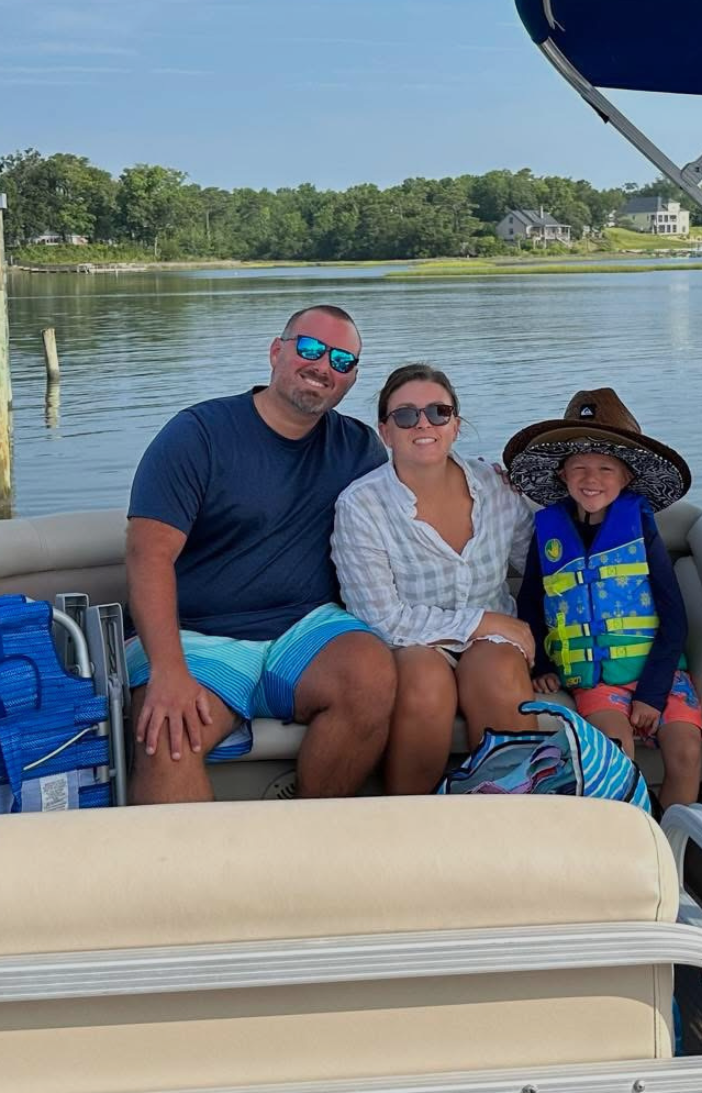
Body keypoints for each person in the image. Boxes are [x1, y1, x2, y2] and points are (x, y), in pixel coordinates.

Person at [126, 304, 396, 803]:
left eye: (341, 360)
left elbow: (419, 495)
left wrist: (490, 483)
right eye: (311, 349)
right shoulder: (197, 435)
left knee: (372, 675)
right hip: (198, 638)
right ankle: (201, 879)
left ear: (352, 379)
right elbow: (148, 556)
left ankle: (309, 849)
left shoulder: (360, 451)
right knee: (168, 739)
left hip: (305, 628)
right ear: (276, 351)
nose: (322, 366)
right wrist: (168, 672)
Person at [331, 364, 536, 794]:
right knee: (426, 685)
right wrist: (485, 622)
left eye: (438, 413)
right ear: (386, 432)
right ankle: (412, 827)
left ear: (455, 426)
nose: (423, 424)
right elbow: (381, 620)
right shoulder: (360, 505)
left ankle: (515, 827)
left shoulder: (497, 487)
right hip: (411, 640)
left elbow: (537, 562)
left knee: (498, 672)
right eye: (405, 415)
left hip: (492, 642)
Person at [506, 389, 702, 809]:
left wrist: (651, 693)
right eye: (578, 467)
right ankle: (623, 849)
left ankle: (670, 853)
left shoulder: (643, 531)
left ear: (626, 477)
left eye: (604, 468)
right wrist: (541, 663)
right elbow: (529, 604)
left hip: (659, 674)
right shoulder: (548, 531)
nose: (590, 478)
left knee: (686, 752)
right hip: (598, 682)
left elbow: (675, 617)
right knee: (615, 753)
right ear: (562, 475)